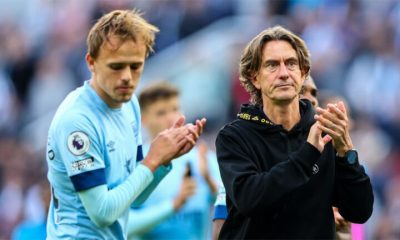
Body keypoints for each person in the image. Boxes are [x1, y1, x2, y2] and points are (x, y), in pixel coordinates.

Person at [45, 10, 206, 240]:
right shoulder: (78, 121)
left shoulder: (130, 105)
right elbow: (102, 213)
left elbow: (134, 195)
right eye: (116, 66)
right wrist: (152, 160)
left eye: (135, 66)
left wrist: (163, 160)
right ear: (91, 62)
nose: (127, 77)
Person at [215, 26, 373, 239]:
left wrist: (347, 154)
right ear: (255, 78)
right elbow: (249, 199)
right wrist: (308, 153)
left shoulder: (324, 130)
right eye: (272, 65)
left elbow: (360, 212)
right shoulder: (234, 137)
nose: (284, 73)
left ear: (303, 73)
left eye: (291, 64)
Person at [211, 75, 320, 240]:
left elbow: (358, 223)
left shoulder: (328, 151)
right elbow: (220, 229)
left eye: (314, 93)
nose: (312, 99)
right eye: (304, 91)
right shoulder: (248, 150)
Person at [127, 82, 219, 240]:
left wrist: (208, 180)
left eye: (175, 109)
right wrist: (174, 205)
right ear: (144, 120)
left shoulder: (203, 158)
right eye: (161, 113)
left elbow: (233, 205)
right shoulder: (137, 163)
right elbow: (125, 225)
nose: (171, 118)